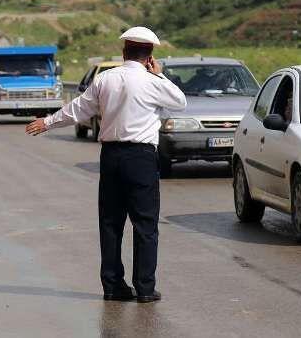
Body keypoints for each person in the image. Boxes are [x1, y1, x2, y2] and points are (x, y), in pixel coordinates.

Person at [25, 27, 187, 303]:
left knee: (111, 223)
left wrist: (47, 122)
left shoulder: (105, 79)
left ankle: (113, 286)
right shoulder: (153, 81)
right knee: (145, 224)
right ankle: (145, 288)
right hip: (141, 158)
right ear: (150, 56)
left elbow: (78, 109)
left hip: (111, 157)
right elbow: (180, 102)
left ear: (124, 52)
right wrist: (158, 73)